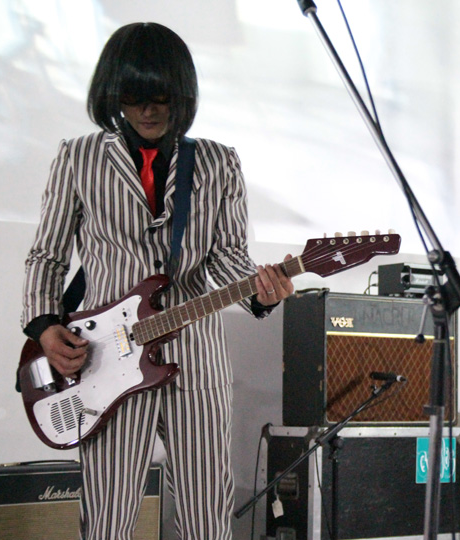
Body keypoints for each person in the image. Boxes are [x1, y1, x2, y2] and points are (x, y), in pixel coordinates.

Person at [21, 22, 294, 540]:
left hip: (196, 356)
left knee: (207, 516)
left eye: (161, 97)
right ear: (112, 95)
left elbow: (228, 256)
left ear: (181, 94)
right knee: (108, 516)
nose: (147, 110)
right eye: (132, 97)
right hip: (104, 357)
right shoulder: (79, 157)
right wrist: (44, 327)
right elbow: (47, 255)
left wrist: (261, 293)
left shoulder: (217, 161)